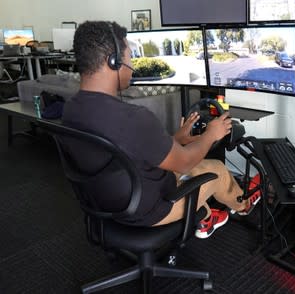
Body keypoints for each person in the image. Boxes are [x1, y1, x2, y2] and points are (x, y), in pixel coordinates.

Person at [62, 21, 260, 239]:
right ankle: (244, 206)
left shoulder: (70, 109)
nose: (132, 66)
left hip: (105, 200)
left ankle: (204, 214)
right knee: (218, 170)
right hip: (150, 209)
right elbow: (185, 161)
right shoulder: (134, 118)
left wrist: (176, 138)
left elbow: (129, 150)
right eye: (129, 58)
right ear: (114, 61)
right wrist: (210, 135)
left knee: (192, 168)